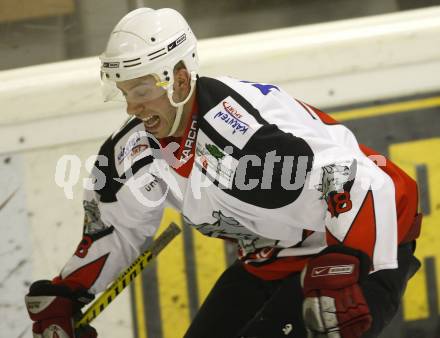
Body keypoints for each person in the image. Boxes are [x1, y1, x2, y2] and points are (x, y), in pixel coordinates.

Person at [25, 7, 423, 338]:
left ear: (179, 79)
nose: (132, 107)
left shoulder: (243, 134)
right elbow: (117, 228)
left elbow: (366, 180)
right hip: (275, 257)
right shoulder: (131, 152)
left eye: (142, 91)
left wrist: (346, 260)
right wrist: (68, 292)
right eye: (125, 92)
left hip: (364, 240)